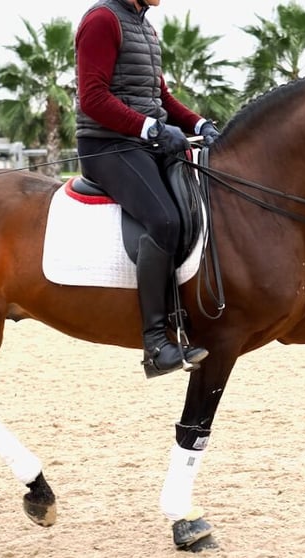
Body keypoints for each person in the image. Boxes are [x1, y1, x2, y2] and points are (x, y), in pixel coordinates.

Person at [75, 0, 220, 378]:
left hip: (144, 143)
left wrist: (201, 123)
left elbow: (160, 99)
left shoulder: (144, 26)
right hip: (107, 146)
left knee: (201, 202)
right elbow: (92, 97)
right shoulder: (102, 20)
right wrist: (149, 128)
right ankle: (156, 344)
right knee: (165, 220)